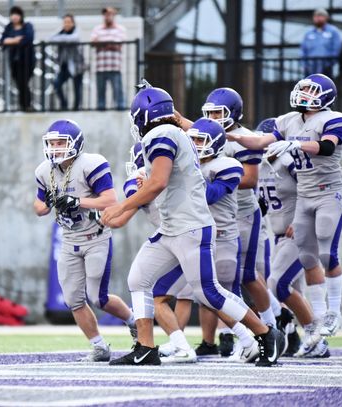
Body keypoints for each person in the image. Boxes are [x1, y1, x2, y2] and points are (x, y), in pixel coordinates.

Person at [101, 87, 284, 367]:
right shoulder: (172, 134)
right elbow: (162, 181)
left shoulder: (160, 135)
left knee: (209, 291)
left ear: (142, 115)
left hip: (190, 227)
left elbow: (159, 182)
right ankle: (146, 348)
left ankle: (265, 333)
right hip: (172, 227)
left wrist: (121, 206)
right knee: (138, 279)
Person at [227, 73, 342, 339]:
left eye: (310, 89)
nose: (304, 93)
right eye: (303, 88)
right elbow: (260, 142)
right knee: (308, 258)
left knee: (328, 254)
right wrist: (234, 137)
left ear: (325, 95)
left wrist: (294, 143)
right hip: (306, 197)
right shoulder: (288, 121)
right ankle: (317, 318)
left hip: (329, 192)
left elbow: (328, 147)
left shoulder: (334, 119)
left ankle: (334, 311)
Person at [34, 119, 137, 362]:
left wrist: (77, 201)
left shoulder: (91, 164)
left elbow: (110, 200)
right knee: (72, 298)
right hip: (69, 240)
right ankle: (99, 347)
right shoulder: (43, 171)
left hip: (95, 237)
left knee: (97, 297)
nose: (56, 148)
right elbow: (38, 207)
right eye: (52, 143)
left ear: (75, 143)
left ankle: (134, 321)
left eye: (61, 143)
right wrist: (48, 202)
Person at [201, 88, 281, 357]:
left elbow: (249, 179)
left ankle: (271, 324)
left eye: (218, 113)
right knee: (223, 280)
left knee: (247, 276)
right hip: (221, 216)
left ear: (233, 114)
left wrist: (217, 180)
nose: (213, 118)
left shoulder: (245, 139)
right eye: (209, 113)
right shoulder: (208, 136)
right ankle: (238, 335)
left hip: (243, 214)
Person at [108, 142, 197, 364]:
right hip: (183, 237)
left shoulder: (144, 178)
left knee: (209, 294)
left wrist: (104, 216)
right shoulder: (180, 174)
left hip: (184, 237)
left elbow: (122, 217)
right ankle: (177, 345)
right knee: (184, 294)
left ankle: (255, 337)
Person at [257, 118, 329, 358]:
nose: (264, 146)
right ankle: (301, 335)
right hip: (278, 236)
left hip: (299, 233)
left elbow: (313, 187)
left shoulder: (289, 161)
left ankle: (315, 336)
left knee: (277, 284)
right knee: (287, 287)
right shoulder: (258, 166)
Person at [0, 6, 36, 112]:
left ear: (21, 16)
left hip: (27, 61)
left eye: (17, 14)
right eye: (13, 14)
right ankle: (23, 105)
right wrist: (16, 40)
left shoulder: (27, 26)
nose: (15, 17)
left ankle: (27, 105)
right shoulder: (9, 27)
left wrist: (10, 40)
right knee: (19, 83)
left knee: (24, 82)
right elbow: (2, 41)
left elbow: (28, 39)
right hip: (14, 61)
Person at [91, 7, 126, 110]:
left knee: (118, 92)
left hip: (115, 66)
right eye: (106, 14)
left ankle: (120, 109)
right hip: (100, 66)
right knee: (100, 93)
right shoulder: (97, 28)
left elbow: (118, 45)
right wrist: (110, 43)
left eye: (110, 14)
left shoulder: (120, 29)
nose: (108, 16)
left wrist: (101, 43)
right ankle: (101, 110)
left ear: (114, 15)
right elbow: (93, 42)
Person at [50, 14, 85, 111]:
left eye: (69, 22)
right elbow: (51, 38)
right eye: (65, 22)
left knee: (77, 89)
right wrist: (62, 33)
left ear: (73, 23)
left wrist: (61, 38)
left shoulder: (76, 31)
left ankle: (76, 108)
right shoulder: (61, 32)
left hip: (77, 66)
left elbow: (74, 38)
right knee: (56, 84)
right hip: (64, 66)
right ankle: (64, 104)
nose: (67, 24)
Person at [301, 8, 342, 77]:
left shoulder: (333, 31)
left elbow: (337, 48)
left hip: (327, 67)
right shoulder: (308, 33)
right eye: (316, 16)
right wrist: (304, 64)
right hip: (310, 67)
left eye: (321, 16)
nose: (318, 18)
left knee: (325, 86)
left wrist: (331, 63)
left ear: (326, 18)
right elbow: (303, 49)